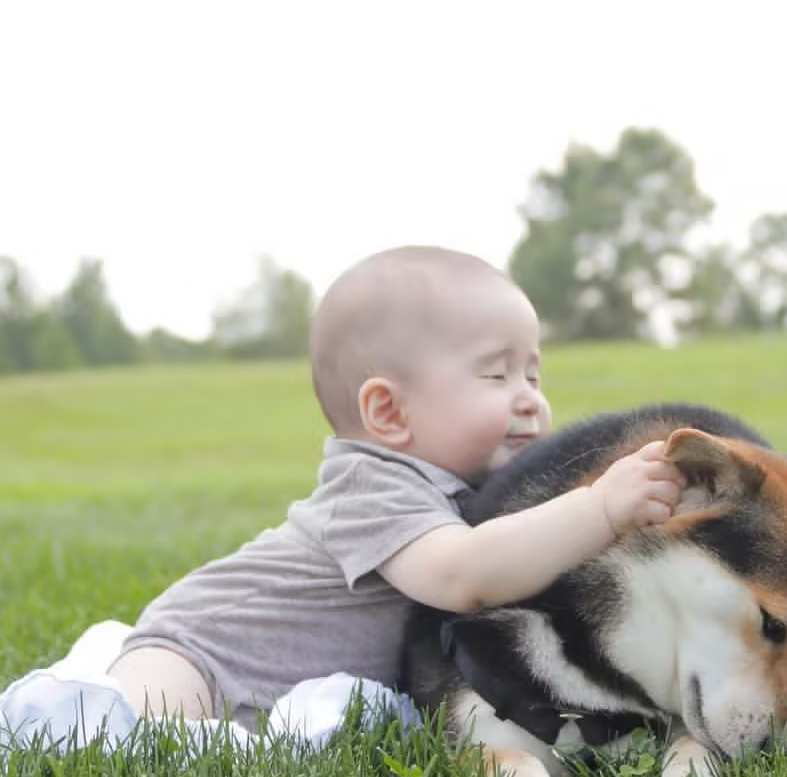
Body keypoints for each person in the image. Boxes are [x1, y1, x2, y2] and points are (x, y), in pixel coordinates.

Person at [108, 246, 683, 727]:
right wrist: (600, 507)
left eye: (533, 374)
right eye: (495, 374)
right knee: (137, 731)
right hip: (197, 651)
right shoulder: (371, 485)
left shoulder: (464, 490)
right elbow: (465, 576)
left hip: (263, 687)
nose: (530, 396)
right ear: (388, 412)